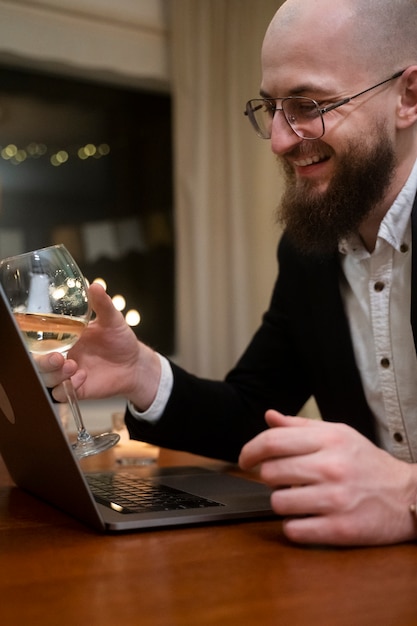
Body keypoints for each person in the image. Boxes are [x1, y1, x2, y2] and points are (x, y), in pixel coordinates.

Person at [40, 0, 417, 547]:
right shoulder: (308, 251)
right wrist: (141, 372)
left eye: (308, 104)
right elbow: (250, 414)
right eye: (272, 107)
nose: (282, 140)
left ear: (408, 96)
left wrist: (405, 494)